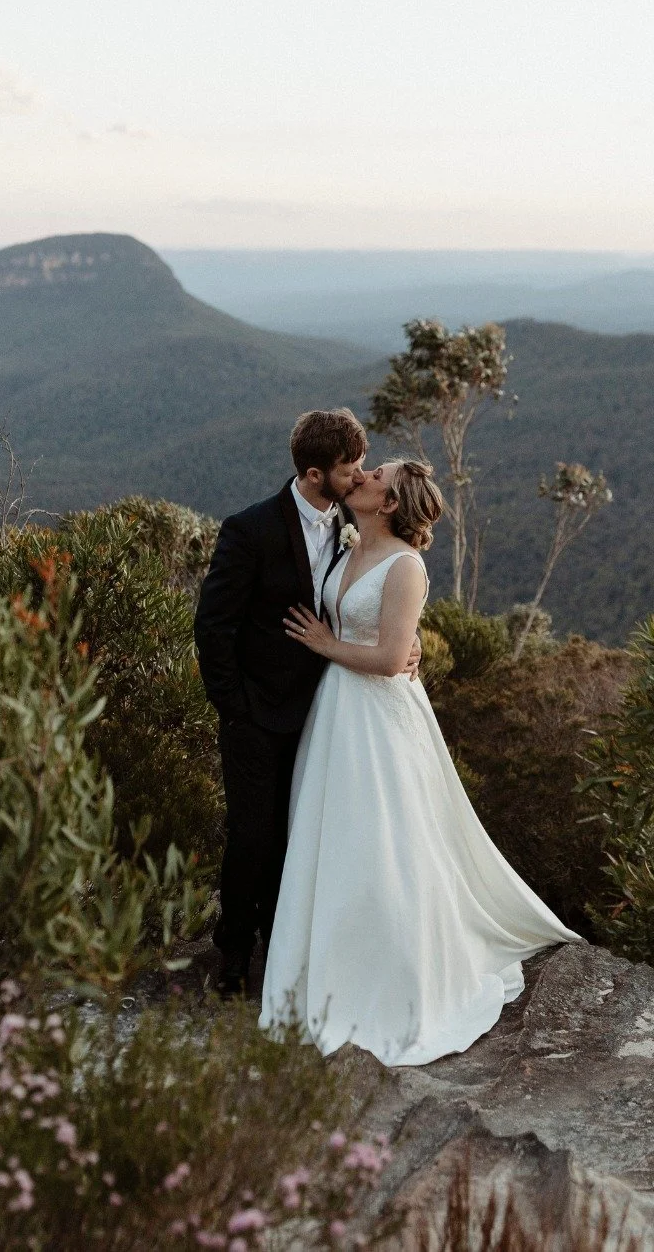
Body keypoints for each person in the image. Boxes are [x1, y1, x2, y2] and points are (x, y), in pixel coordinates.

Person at [259, 459, 581, 1067]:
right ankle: (320, 967)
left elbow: (387, 659)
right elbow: (393, 638)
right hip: (334, 714)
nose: (363, 474)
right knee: (332, 840)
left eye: (374, 474)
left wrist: (328, 644)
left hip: (377, 718)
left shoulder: (406, 565)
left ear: (388, 502)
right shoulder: (347, 544)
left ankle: (388, 982)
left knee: (382, 842)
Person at [194, 408, 420, 996]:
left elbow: (382, 587)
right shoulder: (250, 530)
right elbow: (213, 626)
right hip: (256, 714)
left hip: (329, 709)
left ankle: (290, 949)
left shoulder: (358, 517)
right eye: (352, 470)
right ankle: (235, 955)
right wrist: (234, 707)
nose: (362, 476)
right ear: (317, 475)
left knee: (310, 834)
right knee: (253, 835)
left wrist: (409, 641)